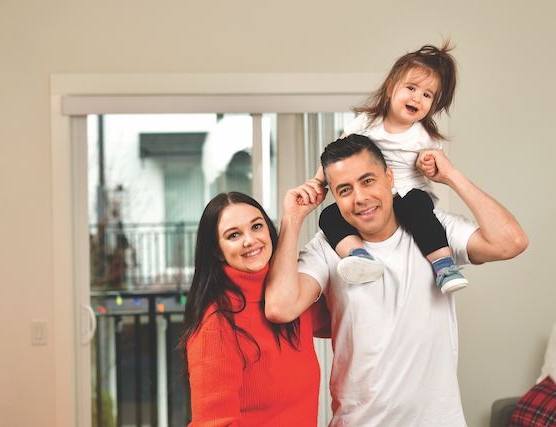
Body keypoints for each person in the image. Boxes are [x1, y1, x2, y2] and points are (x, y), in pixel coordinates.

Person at [265, 134, 528, 426]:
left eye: (367, 181)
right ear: (335, 198)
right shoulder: (326, 248)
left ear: (389, 177)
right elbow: (280, 307)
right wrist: (292, 217)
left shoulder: (434, 230)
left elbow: (511, 242)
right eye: (344, 190)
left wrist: (451, 176)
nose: (360, 198)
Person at [313, 41, 467, 294]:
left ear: (433, 105)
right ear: (390, 88)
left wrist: (426, 164)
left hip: (409, 193)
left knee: (418, 212)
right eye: (411, 88)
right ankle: (359, 257)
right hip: (375, 195)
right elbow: (335, 155)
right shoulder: (367, 122)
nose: (417, 97)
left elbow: (435, 165)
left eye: (427, 95)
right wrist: (318, 182)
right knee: (329, 215)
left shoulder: (425, 137)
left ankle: (444, 266)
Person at [178, 192, 321, 426]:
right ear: (216, 250)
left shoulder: (289, 297)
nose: (250, 240)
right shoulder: (216, 326)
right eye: (233, 235)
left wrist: (294, 217)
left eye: (257, 226)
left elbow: (348, 316)